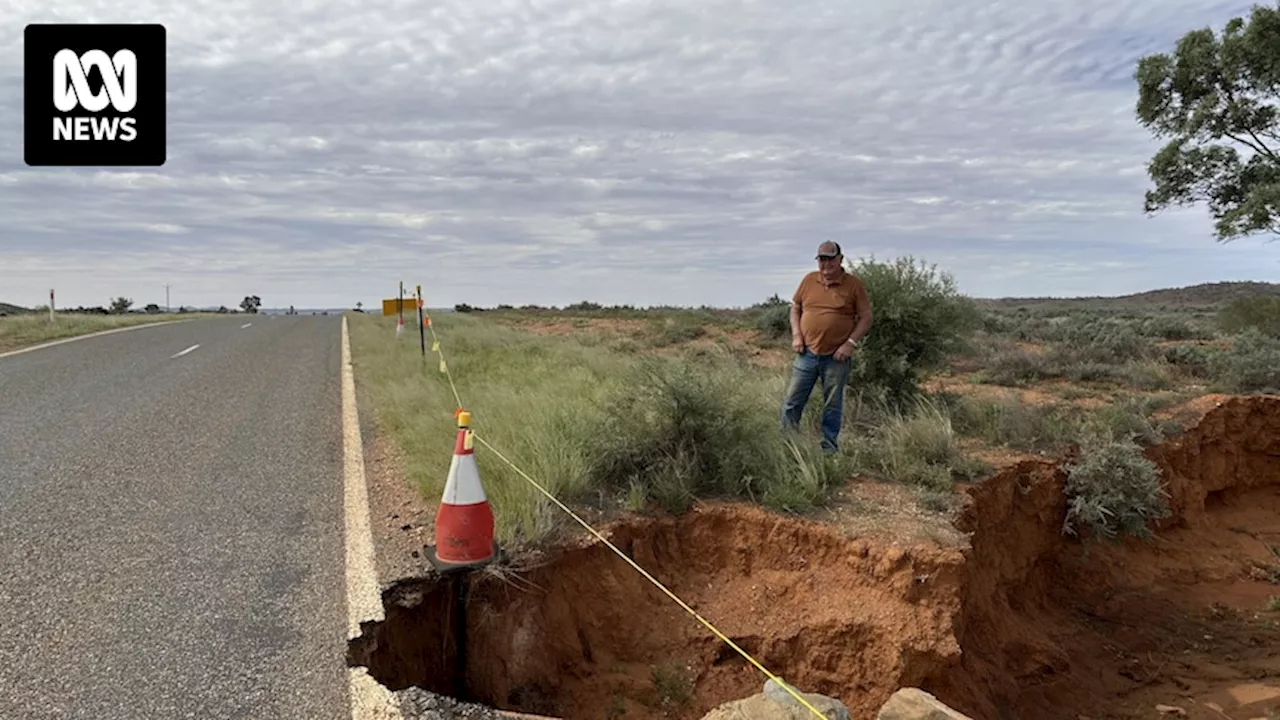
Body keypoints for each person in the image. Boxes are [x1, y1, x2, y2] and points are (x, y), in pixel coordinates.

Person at [780, 240, 873, 453]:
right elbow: (795, 308)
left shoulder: (854, 285)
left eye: (831, 259)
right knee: (792, 402)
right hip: (807, 353)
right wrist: (796, 335)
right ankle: (787, 447)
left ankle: (828, 450)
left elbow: (866, 317)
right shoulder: (809, 280)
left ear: (840, 259)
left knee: (832, 404)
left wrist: (850, 344)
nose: (826, 264)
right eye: (822, 259)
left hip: (837, 356)